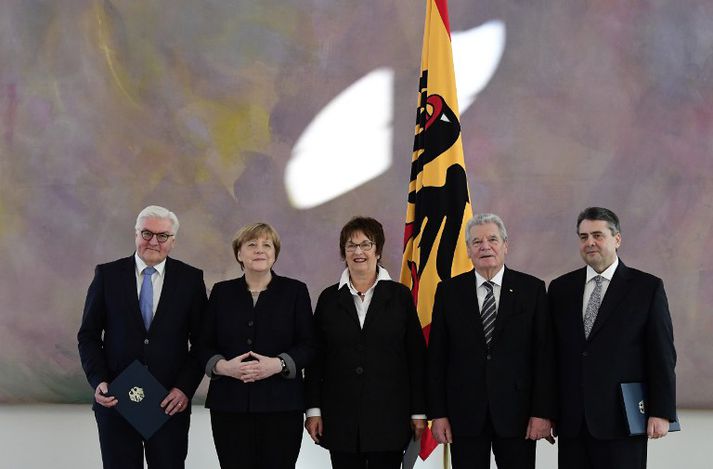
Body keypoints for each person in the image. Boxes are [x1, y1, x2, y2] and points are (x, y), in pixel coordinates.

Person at [77, 205, 207, 469]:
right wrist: (98, 380)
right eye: (147, 233)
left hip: (169, 404)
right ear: (136, 234)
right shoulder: (107, 275)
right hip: (116, 400)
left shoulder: (191, 279)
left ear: (173, 241)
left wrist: (184, 388)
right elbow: (88, 335)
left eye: (162, 236)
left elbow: (203, 343)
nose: (153, 242)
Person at [549, 207, 677, 469]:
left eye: (598, 235)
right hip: (573, 422)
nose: (590, 242)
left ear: (617, 239)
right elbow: (549, 356)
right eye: (583, 237)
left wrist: (662, 411)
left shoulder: (647, 288)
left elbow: (662, 355)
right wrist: (547, 412)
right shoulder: (561, 289)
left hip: (623, 420)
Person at [427, 213, 556, 469]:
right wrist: (438, 414)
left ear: (505, 245)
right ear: (468, 251)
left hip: (517, 415)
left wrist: (542, 412)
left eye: (492, 239)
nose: (485, 246)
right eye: (477, 242)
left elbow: (544, 357)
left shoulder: (532, 290)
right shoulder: (449, 292)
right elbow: (437, 357)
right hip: (464, 415)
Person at [304, 216, 427, 469]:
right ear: (343, 252)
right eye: (351, 245)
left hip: (391, 418)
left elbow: (416, 359)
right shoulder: (328, 299)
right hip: (340, 419)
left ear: (378, 250)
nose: (358, 251)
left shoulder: (400, 296)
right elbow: (316, 360)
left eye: (366, 244)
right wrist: (313, 410)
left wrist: (418, 412)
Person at [200, 222, 316, 469]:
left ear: (275, 253)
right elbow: (202, 345)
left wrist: (279, 364)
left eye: (267, 245)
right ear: (239, 254)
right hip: (229, 406)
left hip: (282, 407)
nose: (259, 250)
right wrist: (223, 367)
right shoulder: (221, 293)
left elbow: (309, 345)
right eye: (251, 245)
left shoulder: (295, 291)